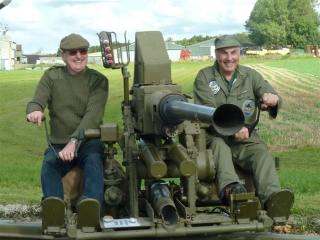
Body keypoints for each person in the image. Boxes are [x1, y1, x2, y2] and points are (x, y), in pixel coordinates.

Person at [193, 34, 294, 219]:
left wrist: (271, 99)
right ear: (216, 54)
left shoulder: (250, 76)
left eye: (233, 52)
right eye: (224, 53)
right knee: (219, 148)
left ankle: (272, 199)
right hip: (214, 134)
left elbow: (270, 93)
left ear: (239, 53)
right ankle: (233, 193)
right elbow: (209, 110)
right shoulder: (204, 77)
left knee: (261, 153)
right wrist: (232, 127)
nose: (229, 58)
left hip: (245, 136)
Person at [26, 33, 109, 210]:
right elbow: (37, 101)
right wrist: (34, 110)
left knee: (94, 161)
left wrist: (74, 142)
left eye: (83, 51)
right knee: (49, 166)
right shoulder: (52, 76)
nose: (78, 56)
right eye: (72, 53)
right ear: (63, 56)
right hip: (58, 143)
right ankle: (54, 212)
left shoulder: (98, 81)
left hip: (88, 141)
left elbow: (92, 116)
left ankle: (91, 210)